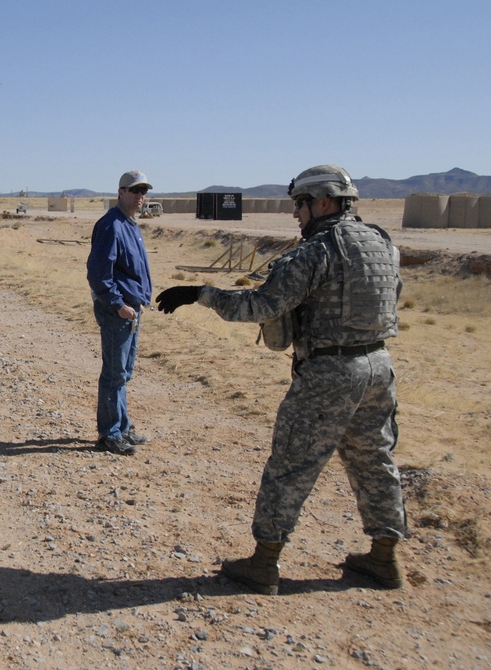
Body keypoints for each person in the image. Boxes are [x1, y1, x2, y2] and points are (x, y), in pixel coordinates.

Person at [155, 164, 407, 595]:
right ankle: (384, 558)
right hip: (378, 367)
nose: (296, 215)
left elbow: (262, 306)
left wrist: (201, 294)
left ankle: (264, 562)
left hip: (329, 373)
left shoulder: (316, 251)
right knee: (374, 460)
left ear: (323, 203)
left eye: (300, 205)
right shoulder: (381, 243)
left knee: (291, 465)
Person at [86, 170, 154, 456]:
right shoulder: (111, 225)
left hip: (131, 311)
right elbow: (99, 274)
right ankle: (109, 434)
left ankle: (122, 427)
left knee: (123, 373)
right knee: (114, 374)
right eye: (135, 191)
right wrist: (118, 304)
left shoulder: (130, 225)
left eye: (143, 192)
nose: (140, 197)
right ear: (121, 192)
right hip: (118, 311)